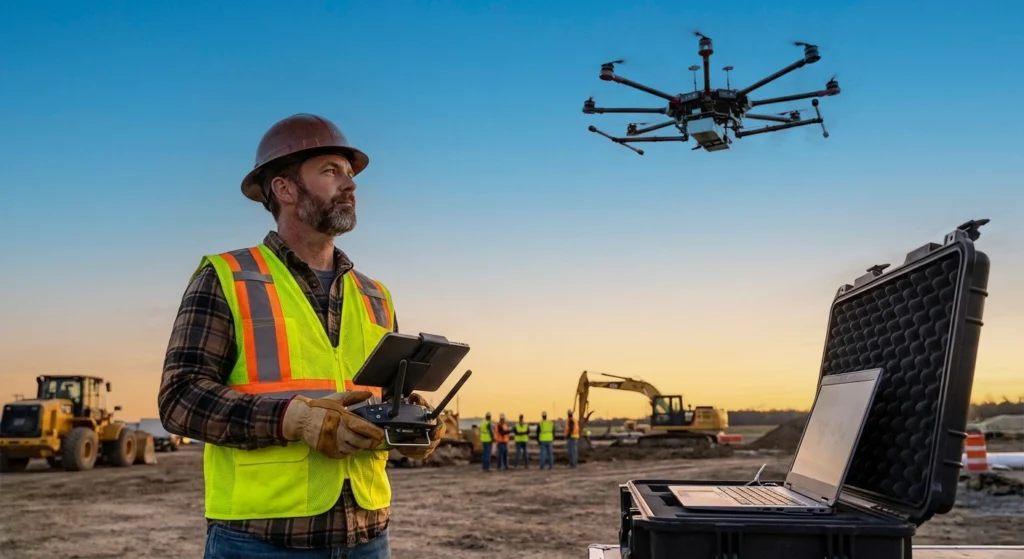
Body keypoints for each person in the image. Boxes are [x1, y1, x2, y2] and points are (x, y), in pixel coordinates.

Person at [158, 113, 445, 559]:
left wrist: (412, 421)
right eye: (331, 171)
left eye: (349, 174)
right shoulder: (227, 277)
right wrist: (296, 419)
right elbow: (180, 400)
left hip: (367, 535)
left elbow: (380, 395)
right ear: (285, 189)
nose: (349, 184)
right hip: (259, 540)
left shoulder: (374, 295)